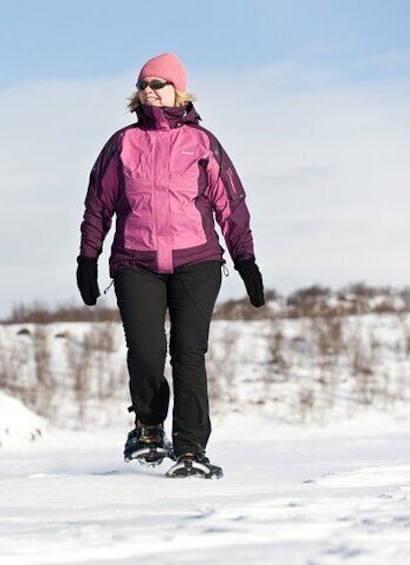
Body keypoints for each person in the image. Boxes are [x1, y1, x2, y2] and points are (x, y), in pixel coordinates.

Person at [77, 53, 264, 479]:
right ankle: (147, 425)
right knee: (145, 352)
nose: (149, 90)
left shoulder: (201, 143)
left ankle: (191, 449)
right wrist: (88, 257)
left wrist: (246, 259)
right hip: (135, 262)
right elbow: (97, 206)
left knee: (188, 353)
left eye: (158, 84)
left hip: (195, 260)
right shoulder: (122, 143)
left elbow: (230, 205)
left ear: (178, 89)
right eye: (144, 84)